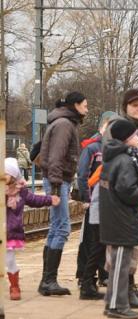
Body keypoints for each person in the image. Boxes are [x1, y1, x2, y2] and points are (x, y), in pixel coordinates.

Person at [100, 119, 138, 319]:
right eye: (134, 135)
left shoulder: (114, 157)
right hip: (121, 219)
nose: (137, 138)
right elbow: (126, 190)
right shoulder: (123, 160)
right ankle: (116, 306)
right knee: (120, 265)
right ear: (125, 138)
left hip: (116, 218)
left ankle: (112, 302)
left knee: (118, 264)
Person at [38, 92, 88, 296]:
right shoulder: (65, 125)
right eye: (85, 105)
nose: (87, 108)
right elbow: (56, 156)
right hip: (58, 181)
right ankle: (49, 280)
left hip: (58, 180)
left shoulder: (65, 122)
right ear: (75, 105)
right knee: (62, 228)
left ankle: (46, 280)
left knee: (55, 228)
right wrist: (57, 188)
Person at [5, 158, 60, 300]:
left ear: (13, 175)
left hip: (10, 232)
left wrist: (49, 200)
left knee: (9, 260)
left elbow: (34, 200)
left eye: (7, 174)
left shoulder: (21, 191)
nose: (4, 176)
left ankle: (14, 286)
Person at [77, 111, 117, 300]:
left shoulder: (114, 147)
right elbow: (83, 174)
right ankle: (85, 278)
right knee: (90, 241)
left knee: (102, 242)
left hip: (107, 203)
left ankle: (103, 275)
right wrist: (86, 198)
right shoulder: (92, 148)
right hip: (94, 202)